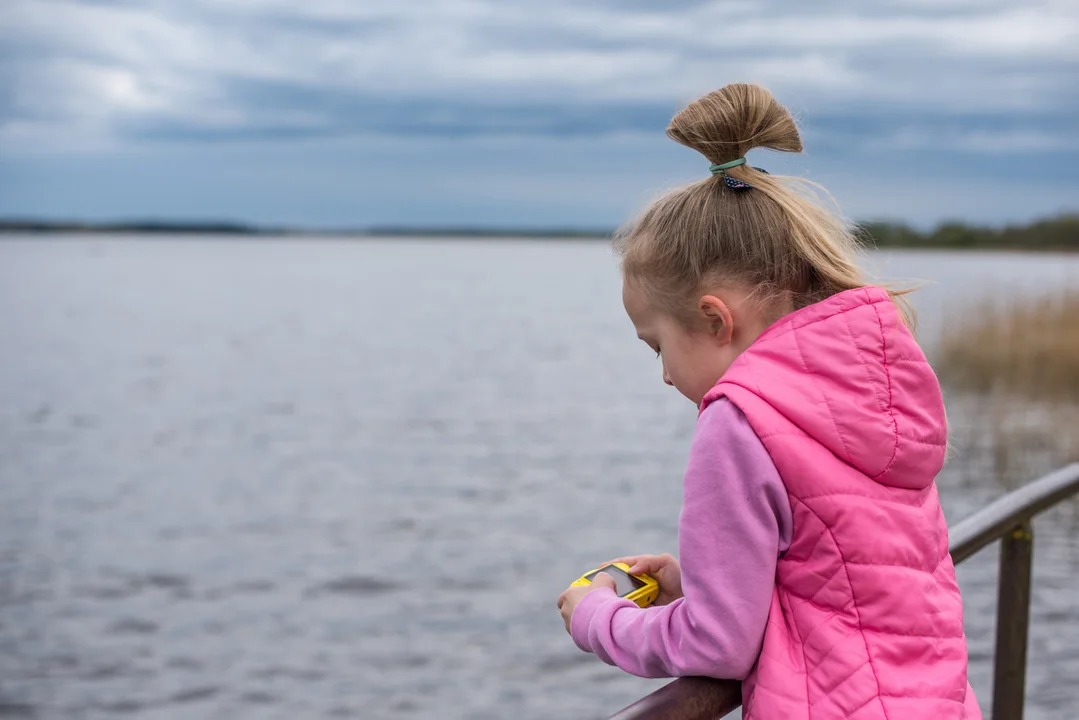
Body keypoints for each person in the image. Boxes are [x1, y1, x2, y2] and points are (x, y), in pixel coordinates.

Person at [556, 83, 981, 719]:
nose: (665, 376)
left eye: (657, 347)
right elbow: (857, 577)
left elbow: (719, 647)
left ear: (715, 320)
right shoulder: (878, 392)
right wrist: (698, 582)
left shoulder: (738, 421)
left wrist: (600, 619)